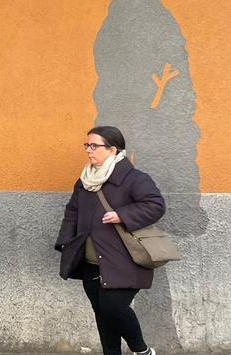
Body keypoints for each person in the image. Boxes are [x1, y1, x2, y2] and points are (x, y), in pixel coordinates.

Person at [55, 126, 164, 355]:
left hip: (123, 262)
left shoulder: (134, 178)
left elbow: (155, 205)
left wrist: (122, 215)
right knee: (102, 314)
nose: (88, 150)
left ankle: (141, 351)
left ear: (113, 149)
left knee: (113, 307)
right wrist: (66, 242)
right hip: (91, 263)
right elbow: (72, 211)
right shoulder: (85, 179)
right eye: (87, 145)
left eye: (94, 146)